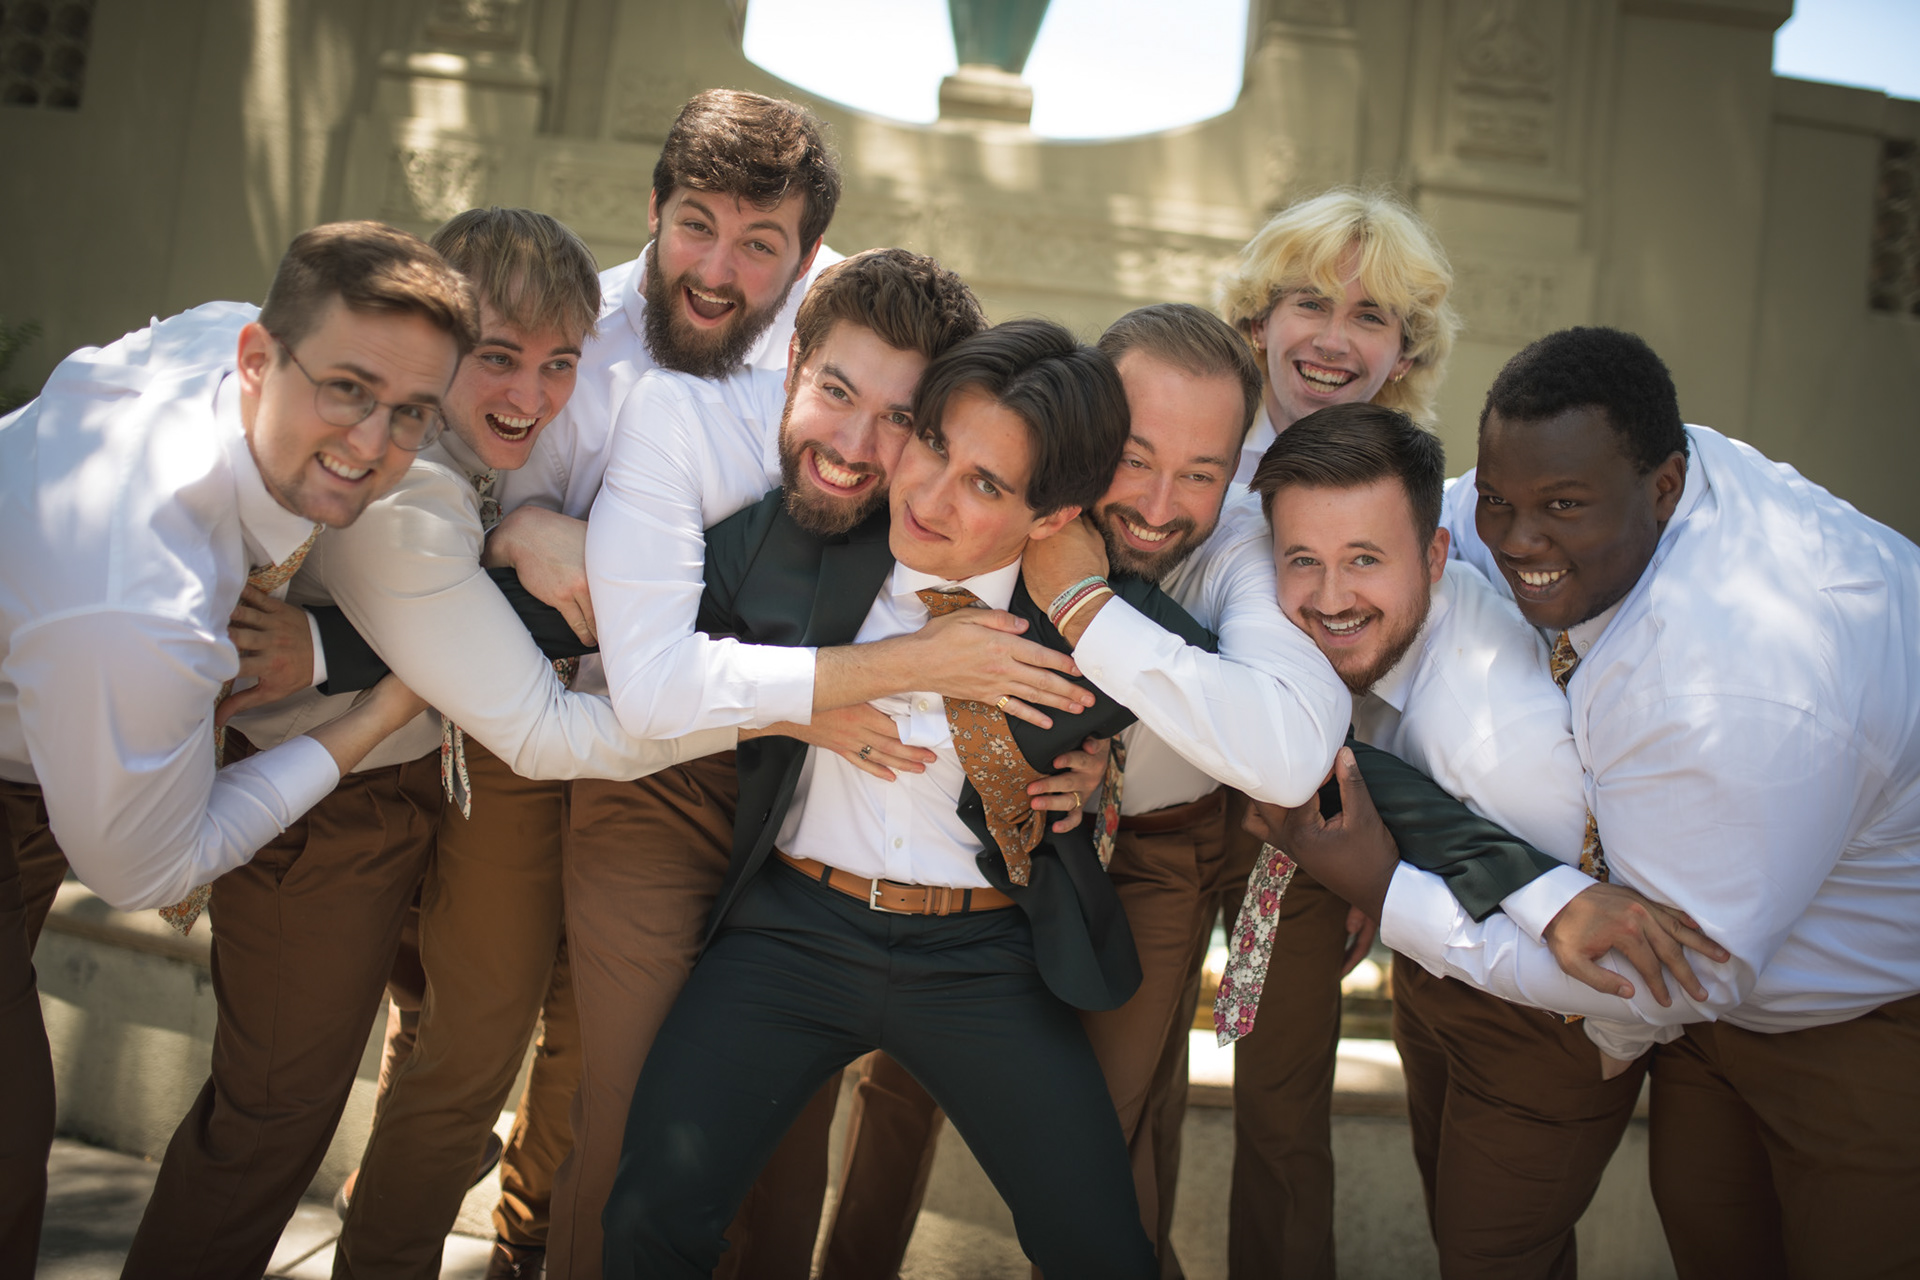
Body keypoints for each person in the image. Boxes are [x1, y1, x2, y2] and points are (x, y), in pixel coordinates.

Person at [1270, 327, 1920, 1280]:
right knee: (1713, 1240)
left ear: (1663, 487)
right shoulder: (1590, 473)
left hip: (1863, 1021)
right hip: (1713, 1012)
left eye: (1561, 508)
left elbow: (1656, 986)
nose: (1517, 541)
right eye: (1499, 501)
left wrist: (1387, 887)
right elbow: (1406, 534)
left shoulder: (1735, 689)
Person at [602, 318, 1205, 1279]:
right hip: (792, 932)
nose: (927, 495)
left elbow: (1248, 715)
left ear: (1052, 518)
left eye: (986, 485)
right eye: (932, 444)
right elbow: (642, 641)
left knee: (1101, 1252)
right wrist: (536, 534)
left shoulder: (1094, 619)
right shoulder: (796, 545)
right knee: (649, 1221)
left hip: (984, 957)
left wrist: (1107, 773)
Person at [818, 302, 1353, 1275]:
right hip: (974, 827)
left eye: (1201, 472)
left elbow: (1284, 745)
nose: (1158, 502)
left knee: (1104, 1134)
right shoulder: (1003, 482)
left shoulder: (1240, 547)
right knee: (900, 1090)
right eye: (1135, 458)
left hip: (1155, 846)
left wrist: (1083, 606)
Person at [0, 220, 471, 1278]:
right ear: (258, 361)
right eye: (347, 390)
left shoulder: (223, 342)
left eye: (411, 411)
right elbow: (147, 871)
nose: (373, 441)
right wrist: (381, 708)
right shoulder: (144, 600)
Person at [1246, 401, 1723, 1279]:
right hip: (1436, 984)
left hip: (1545, 1032)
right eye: (1303, 560)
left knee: (1489, 1260)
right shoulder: (1365, 634)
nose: (1330, 597)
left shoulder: (1498, 745)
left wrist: (1385, 889)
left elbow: (1631, 983)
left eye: (1365, 559)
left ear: (1435, 556)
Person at [1209, 185, 1461, 1279]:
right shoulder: (1192, 441)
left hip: (1301, 834)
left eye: (1370, 315)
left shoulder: (1410, 479)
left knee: (1282, 1116)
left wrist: (1371, 858)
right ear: (1259, 317)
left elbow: (1404, 670)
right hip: (1148, 819)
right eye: (1310, 302)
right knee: (1121, 1093)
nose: (1333, 338)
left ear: (1405, 348)